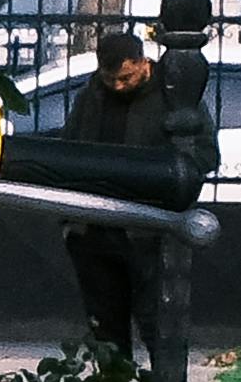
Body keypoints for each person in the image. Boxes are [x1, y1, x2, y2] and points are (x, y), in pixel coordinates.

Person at [67, 22, 197, 356]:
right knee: (105, 332)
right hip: (95, 229)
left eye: (125, 77)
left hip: (147, 229)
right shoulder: (92, 94)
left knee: (156, 324)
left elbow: (201, 153)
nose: (118, 86)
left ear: (143, 63)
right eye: (110, 79)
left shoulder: (171, 96)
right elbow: (71, 146)